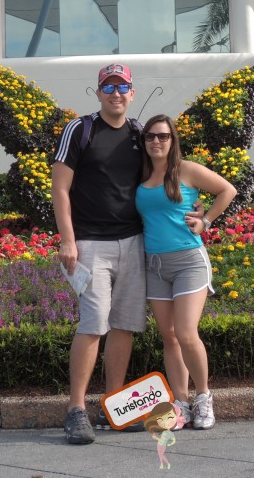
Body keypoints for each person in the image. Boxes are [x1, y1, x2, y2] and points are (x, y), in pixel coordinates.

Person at [53, 63, 202, 444]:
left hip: (134, 242)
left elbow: (169, 175)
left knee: (124, 325)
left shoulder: (140, 133)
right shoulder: (80, 129)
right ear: (98, 91)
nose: (116, 93)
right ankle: (75, 410)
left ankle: (112, 406)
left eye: (123, 87)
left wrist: (196, 211)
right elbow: (60, 188)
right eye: (108, 86)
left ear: (132, 93)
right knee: (93, 323)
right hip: (91, 244)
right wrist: (68, 239)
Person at [136, 113, 237, 431]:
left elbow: (227, 190)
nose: (156, 141)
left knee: (186, 332)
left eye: (163, 136)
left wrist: (205, 220)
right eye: (151, 136)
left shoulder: (186, 170)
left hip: (189, 261)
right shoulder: (140, 174)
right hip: (154, 264)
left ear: (172, 140)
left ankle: (204, 397)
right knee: (169, 337)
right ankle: (180, 403)